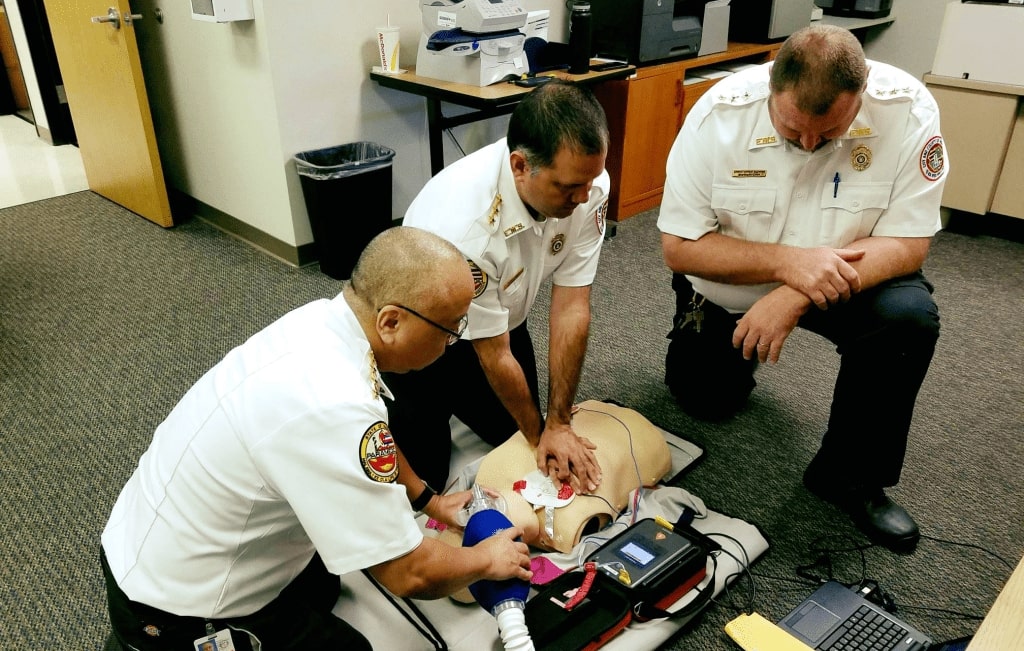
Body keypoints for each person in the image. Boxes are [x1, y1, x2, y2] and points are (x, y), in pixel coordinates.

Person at [100, 227, 532, 651]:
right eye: (450, 328)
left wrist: (430, 502)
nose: (453, 342)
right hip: (170, 608)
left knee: (325, 584)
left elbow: (371, 438)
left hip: (155, 537)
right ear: (391, 322)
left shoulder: (327, 324)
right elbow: (408, 573)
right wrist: (488, 559)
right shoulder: (331, 403)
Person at [658, 24, 946, 553]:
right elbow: (679, 247)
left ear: (861, 97)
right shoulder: (717, 118)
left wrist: (794, 292)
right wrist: (789, 265)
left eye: (829, 132)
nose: (811, 145)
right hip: (732, 284)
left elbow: (908, 244)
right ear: (771, 86)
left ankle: (850, 477)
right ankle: (717, 347)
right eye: (794, 131)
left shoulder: (908, 111)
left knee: (907, 317)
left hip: (848, 275)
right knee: (705, 396)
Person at [383, 79, 611, 502]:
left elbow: (571, 307)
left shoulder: (587, 183)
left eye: (590, 180)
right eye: (567, 188)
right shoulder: (466, 228)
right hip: (420, 344)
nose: (583, 197)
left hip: (502, 320)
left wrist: (556, 423)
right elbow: (495, 354)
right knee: (424, 481)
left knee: (526, 445)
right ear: (521, 166)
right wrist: (538, 430)